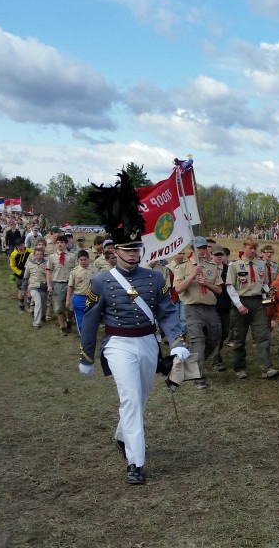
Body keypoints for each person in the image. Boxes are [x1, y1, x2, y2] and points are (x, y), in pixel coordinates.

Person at [78, 170, 189, 485]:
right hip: (118, 345)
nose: (133, 254)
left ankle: (121, 432)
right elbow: (89, 321)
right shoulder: (100, 281)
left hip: (148, 344)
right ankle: (136, 463)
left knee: (138, 399)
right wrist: (86, 356)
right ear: (115, 251)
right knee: (129, 399)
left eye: (137, 249)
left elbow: (167, 312)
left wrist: (177, 340)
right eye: (127, 250)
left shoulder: (155, 278)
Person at [172, 236, 224, 389]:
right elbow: (178, 289)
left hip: (209, 308)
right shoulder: (182, 267)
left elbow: (219, 290)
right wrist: (193, 276)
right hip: (192, 309)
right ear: (191, 249)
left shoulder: (212, 267)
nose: (201, 251)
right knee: (198, 340)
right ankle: (198, 378)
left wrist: (207, 284)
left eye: (203, 248)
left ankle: (190, 362)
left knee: (214, 339)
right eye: (198, 248)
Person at [225, 238, 279, 379]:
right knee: (239, 338)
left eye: (255, 248)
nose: (253, 251)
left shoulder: (261, 264)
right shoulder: (235, 265)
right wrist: (239, 305)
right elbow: (230, 287)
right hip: (241, 302)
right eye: (250, 248)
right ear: (244, 247)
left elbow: (265, 284)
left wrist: (269, 293)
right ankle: (239, 368)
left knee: (263, 335)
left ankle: (267, 368)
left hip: (258, 302)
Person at [45, 234, 77, 336]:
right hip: (58, 284)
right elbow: (49, 271)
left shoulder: (72, 256)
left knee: (71, 307)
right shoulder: (52, 257)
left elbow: (76, 270)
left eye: (62, 242)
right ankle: (62, 327)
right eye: (57, 243)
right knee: (59, 307)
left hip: (70, 284)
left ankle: (69, 320)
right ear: (55, 244)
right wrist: (49, 285)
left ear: (66, 244)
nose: (59, 245)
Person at [66, 250, 93, 334]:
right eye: (81, 260)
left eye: (85, 259)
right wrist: (67, 299)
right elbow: (70, 286)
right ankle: (83, 336)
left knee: (91, 318)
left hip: (92, 298)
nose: (83, 262)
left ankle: (90, 334)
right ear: (78, 260)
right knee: (80, 318)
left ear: (88, 259)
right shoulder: (74, 271)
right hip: (79, 297)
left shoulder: (94, 270)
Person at [24, 247, 48, 328]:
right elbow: (26, 277)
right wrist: (24, 289)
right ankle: (36, 323)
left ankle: (43, 316)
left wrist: (46, 272)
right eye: (37, 254)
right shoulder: (30, 264)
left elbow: (51, 276)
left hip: (44, 286)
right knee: (38, 303)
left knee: (44, 304)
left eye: (41, 254)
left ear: (43, 255)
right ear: (34, 255)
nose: (39, 256)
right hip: (34, 287)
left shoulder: (47, 263)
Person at [10, 241, 31, 312]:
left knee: (29, 288)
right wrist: (19, 272)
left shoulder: (30, 251)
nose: (20, 247)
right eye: (19, 245)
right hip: (19, 274)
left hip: (29, 273)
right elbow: (12, 265)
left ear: (24, 244)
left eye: (22, 245)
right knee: (21, 289)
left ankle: (29, 305)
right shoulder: (13, 254)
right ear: (16, 246)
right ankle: (21, 306)